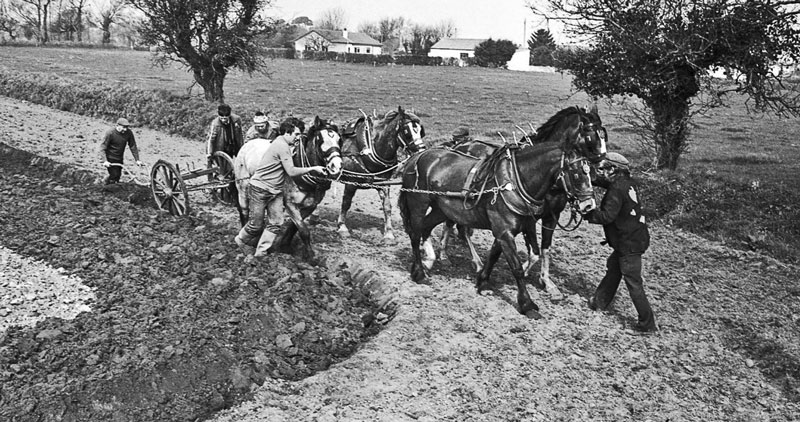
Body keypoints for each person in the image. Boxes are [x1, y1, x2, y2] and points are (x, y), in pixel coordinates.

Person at [584, 152, 657, 333]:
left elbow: (607, 216)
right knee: (614, 267)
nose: (601, 173)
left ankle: (647, 325)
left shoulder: (616, 189)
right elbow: (606, 183)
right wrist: (586, 177)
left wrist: (587, 212)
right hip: (635, 237)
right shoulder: (628, 183)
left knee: (633, 282)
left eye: (604, 169)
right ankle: (599, 301)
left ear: (614, 169)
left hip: (628, 242)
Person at [235, 119, 326, 256]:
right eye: (296, 134)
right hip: (260, 188)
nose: (298, 138)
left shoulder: (286, 145)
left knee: (276, 222)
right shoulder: (281, 146)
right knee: (256, 225)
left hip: (276, 190)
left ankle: (261, 252)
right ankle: (240, 240)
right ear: (287, 133)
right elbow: (291, 171)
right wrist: (313, 168)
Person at [99, 117, 143, 184]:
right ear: (117, 125)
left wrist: (137, 160)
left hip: (119, 158)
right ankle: (105, 184)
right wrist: (105, 161)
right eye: (123, 127)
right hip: (110, 158)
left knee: (117, 177)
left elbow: (132, 146)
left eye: (127, 127)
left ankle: (106, 182)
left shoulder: (129, 133)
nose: (125, 129)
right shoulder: (110, 133)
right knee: (114, 176)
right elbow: (103, 147)